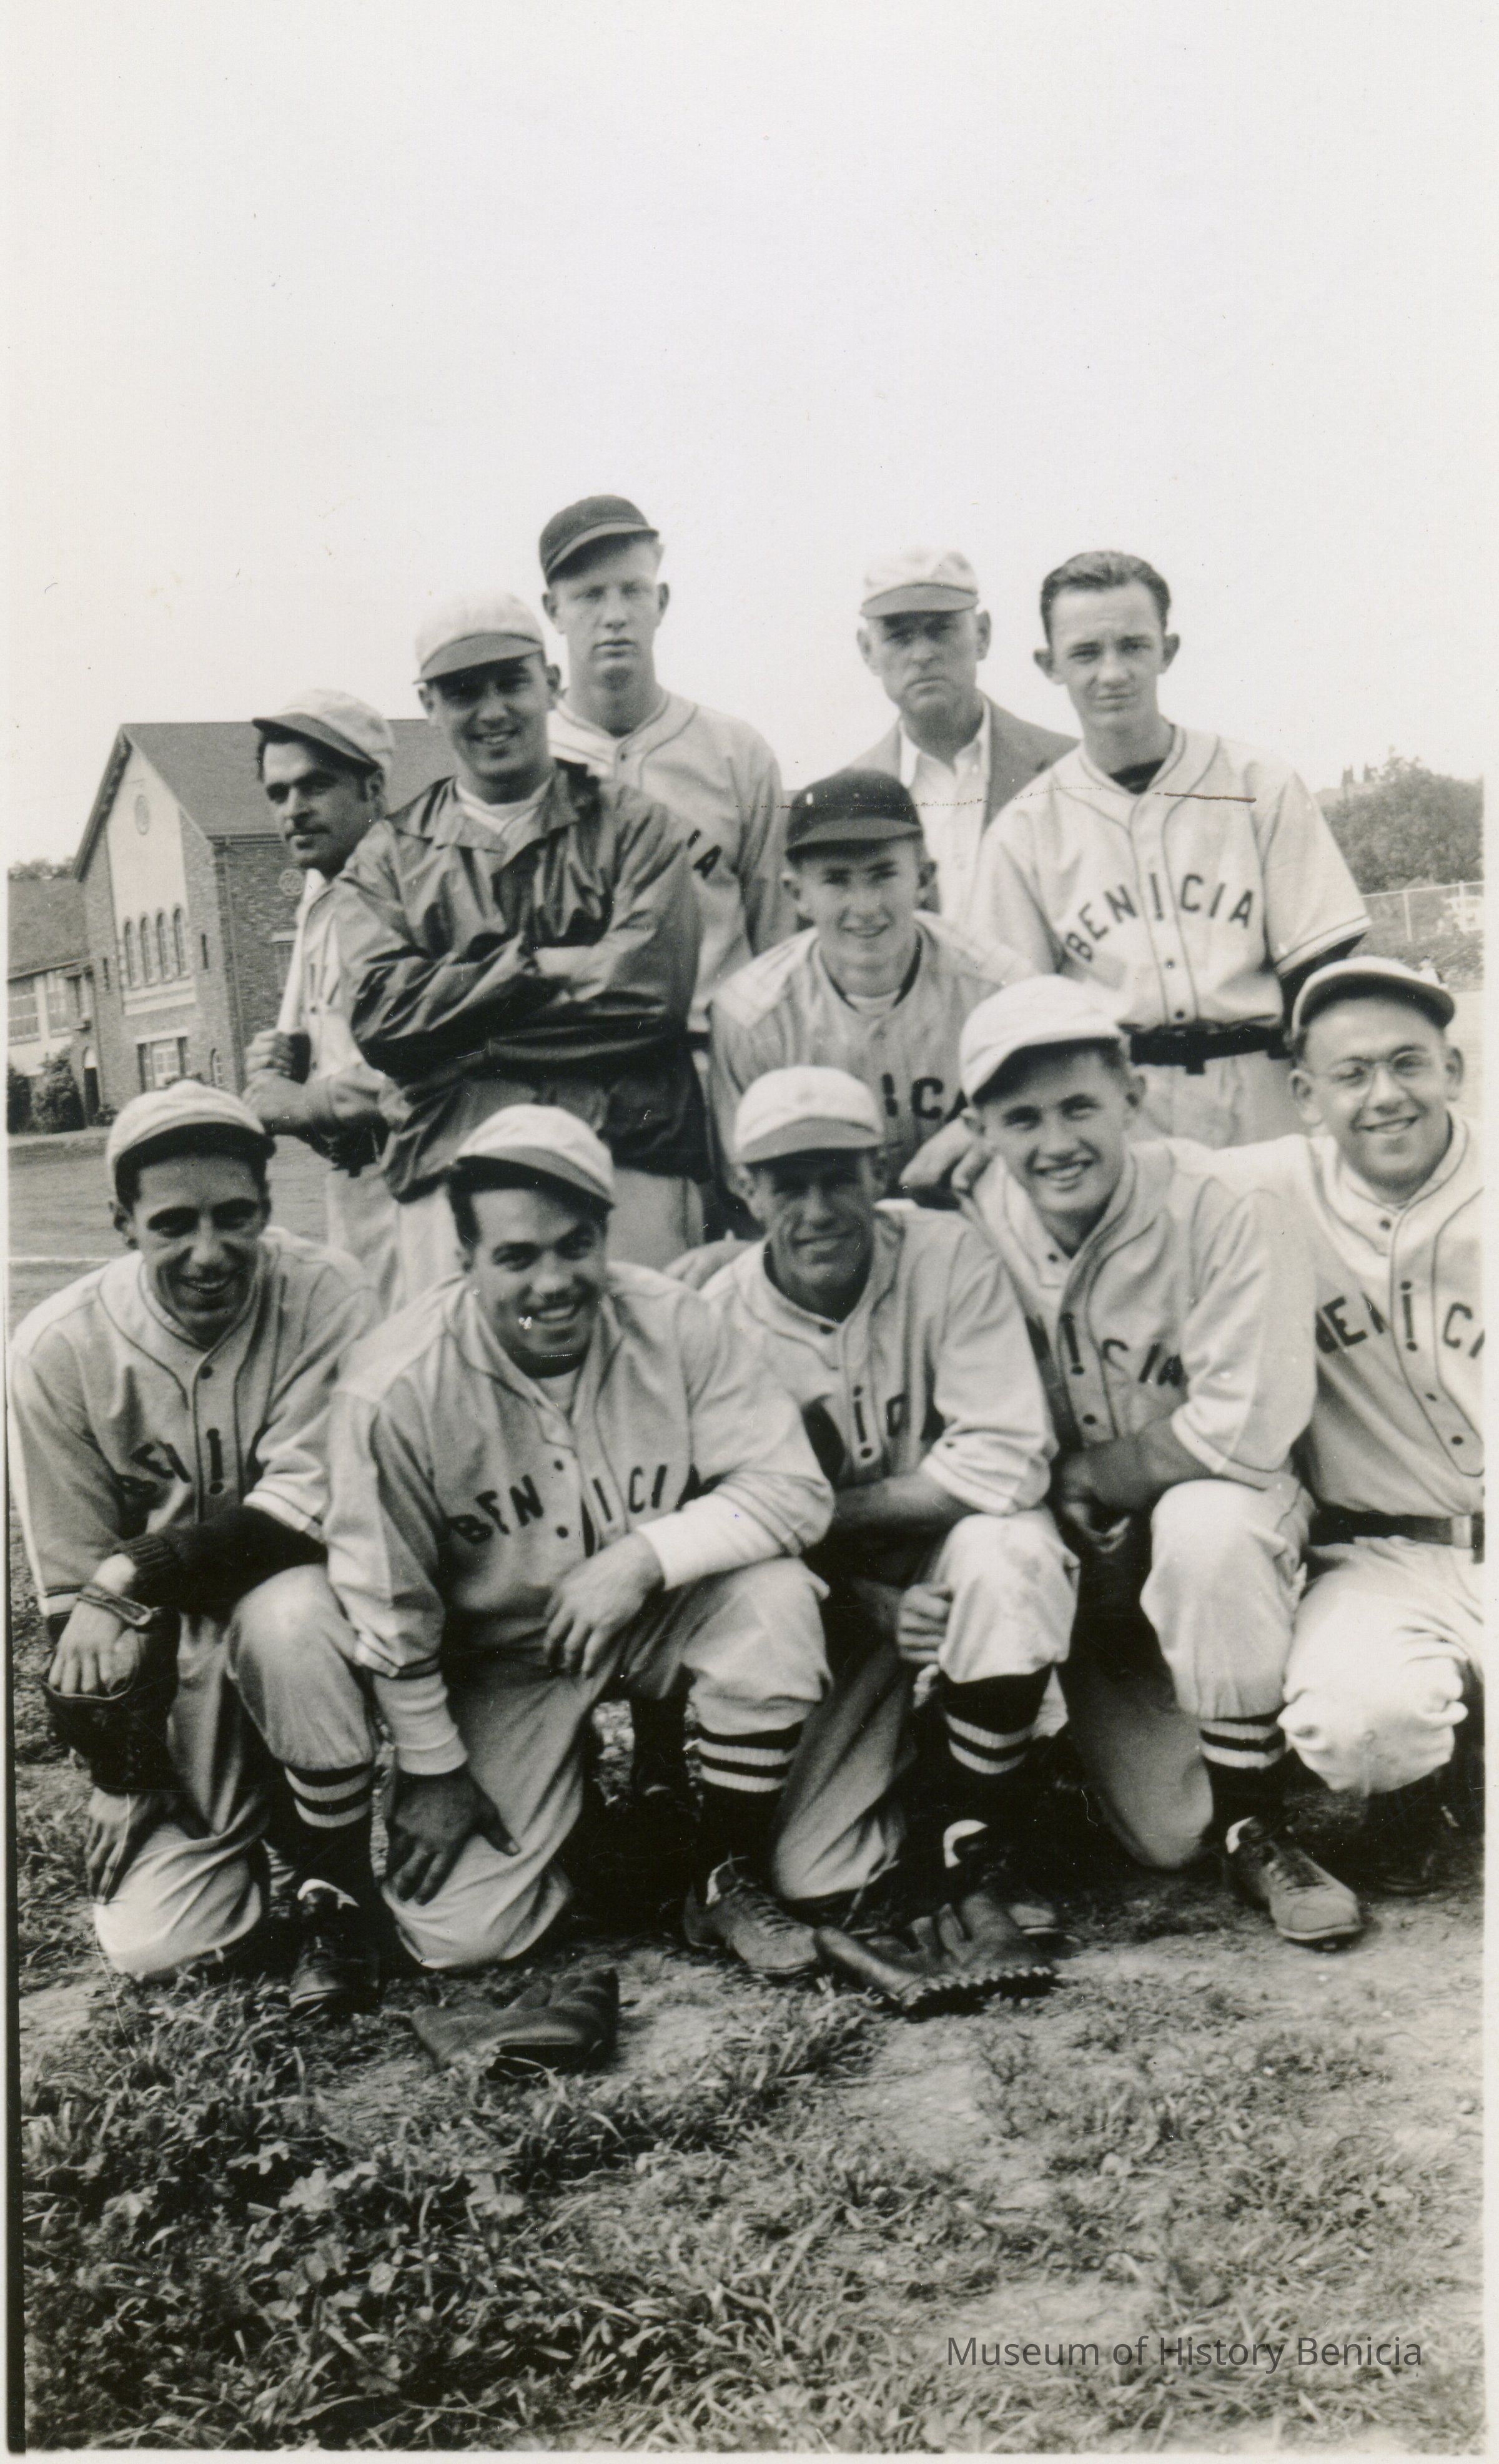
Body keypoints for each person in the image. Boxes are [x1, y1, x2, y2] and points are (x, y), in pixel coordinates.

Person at [322, 1105, 842, 1979]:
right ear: (465, 1259)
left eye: (575, 1246)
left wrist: (641, 1559)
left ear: (606, 1235)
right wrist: (434, 1765)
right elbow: (388, 1602)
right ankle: (591, 1835)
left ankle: (724, 1871)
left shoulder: (674, 1321)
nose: (553, 1282)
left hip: (651, 1615)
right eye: (517, 1257)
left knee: (773, 1598)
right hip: (501, 1660)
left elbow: (793, 1489)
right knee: (462, 1936)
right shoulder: (396, 1385)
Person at [954, 978, 1365, 1949]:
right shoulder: (970, 1224)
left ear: (1132, 1095)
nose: (1056, 1141)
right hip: (1088, 1560)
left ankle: (1257, 1824)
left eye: (1079, 1106)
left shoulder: (1225, 1203)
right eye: (1022, 1118)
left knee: (1204, 1522)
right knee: (1168, 1835)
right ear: (979, 1129)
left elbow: (1246, 1428)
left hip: (1228, 1524)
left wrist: (1088, 1477)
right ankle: (1004, 1811)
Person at [8, 1085, 382, 2014]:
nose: (209, 1252)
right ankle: (268, 1823)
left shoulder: (329, 1293)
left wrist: (133, 1568)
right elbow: (73, 1602)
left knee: (286, 1614)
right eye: (174, 1223)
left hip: (314, 1618)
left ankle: (336, 1889)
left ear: (267, 1205)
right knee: (159, 1944)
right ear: (123, 1223)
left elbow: (305, 1512)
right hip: (171, 1660)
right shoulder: (57, 1348)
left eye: (235, 1216)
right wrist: (124, 1770)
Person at [701, 1067, 1074, 1986]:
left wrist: (820, 1515)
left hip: (946, 1561)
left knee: (1010, 1549)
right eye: (788, 1184)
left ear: (877, 1170)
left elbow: (1007, 1459)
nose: (818, 1209)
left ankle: (976, 1839)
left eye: (840, 1176)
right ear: (747, 1190)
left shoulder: (947, 1254)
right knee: (819, 1873)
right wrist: (863, 1596)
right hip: (828, 1602)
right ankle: (960, 1754)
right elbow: (724, 1525)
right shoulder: (718, 1320)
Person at [337, 593, 706, 1297]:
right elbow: (383, 1022)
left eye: (511, 682)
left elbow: (647, 1001)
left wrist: (462, 1044)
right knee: (462, 1364)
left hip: (626, 1153)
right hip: (449, 1166)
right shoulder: (387, 857)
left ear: (552, 683)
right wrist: (538, 967)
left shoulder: (636, 826)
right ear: (428, 705)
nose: (493, 711)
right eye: (463, 692)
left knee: (642, 1358)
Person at [1208, 957, 1482, 1891]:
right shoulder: (1268, 1187)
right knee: (1352, 1727)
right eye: (1351, 1074)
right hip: (1384, 1558)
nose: (1385, 1095)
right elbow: (1119, 1174)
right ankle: (1423, 1776)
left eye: (1408, 1063)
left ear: (1453, 1068)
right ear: (1304, 1095)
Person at [967, 551, 1368, 1147]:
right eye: (1086, 653)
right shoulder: (1024, 830)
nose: (1113, 672)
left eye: (1133, 646)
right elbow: (1020, 1009)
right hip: (1120, 1104)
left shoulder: (1258, 783)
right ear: (1049, 665)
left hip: (1264, 1085)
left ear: (1168, 650)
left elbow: (1320, 967)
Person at [708, 770, 1032, 1216]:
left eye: (883, 875)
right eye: (837, 880)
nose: (865, 907)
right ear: (797, 894)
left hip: (976, 1223)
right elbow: (754, 1191)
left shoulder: (1002, 988)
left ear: (924, 879)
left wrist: (982, 1129)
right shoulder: (750, 1015)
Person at [540, 493, 796, 1042]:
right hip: (571, 1061)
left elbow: (779, 946)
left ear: (661, 602)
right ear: (553, 611)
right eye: (589, 595)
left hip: (710, 1055)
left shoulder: (736, 753)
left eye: (632, 591)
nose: (615, 616)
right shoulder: (528, 761)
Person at [242, 689, 402, 1313]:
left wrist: (305, 1102)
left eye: (315, 786)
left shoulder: (409, 890)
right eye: (278, 793)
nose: (294, 810)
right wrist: (291, 1081)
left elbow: (438, 1072)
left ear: (374, 788)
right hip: (356, 1186)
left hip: (425, 1191)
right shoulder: (320, 901)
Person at [846, 548, 1074, 921]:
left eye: (940, 630)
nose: (922, 654)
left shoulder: (1070, 770)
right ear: (868, 651)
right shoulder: (846, 801)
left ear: (982, 635)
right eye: (899, 637)